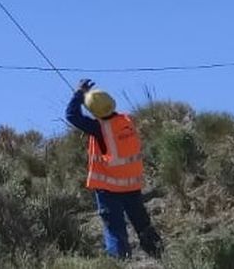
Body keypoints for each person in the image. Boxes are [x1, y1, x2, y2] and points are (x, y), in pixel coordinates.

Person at [66, 79, 163, 260]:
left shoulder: (99, 128)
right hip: (132, 186)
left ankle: (120, 262)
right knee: (143, 226)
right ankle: (162, 257)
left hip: (109, 190)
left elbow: (72, 116)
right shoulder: (127, 121)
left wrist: (79, 94)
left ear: (94, 112)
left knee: (115, 231)